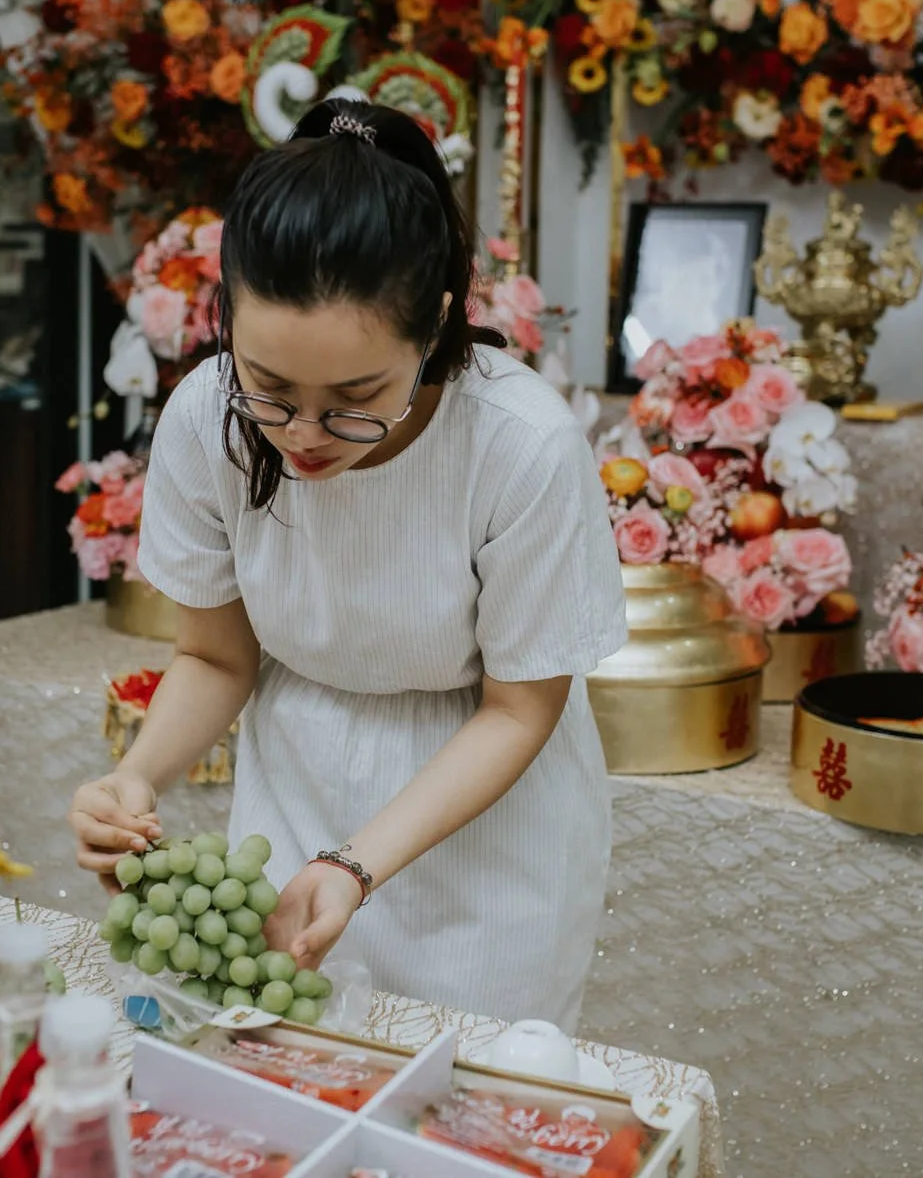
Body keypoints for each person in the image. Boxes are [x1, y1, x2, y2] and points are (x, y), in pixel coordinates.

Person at [67, 99, 626, 1030]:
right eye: (271, 391)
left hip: (487, 827)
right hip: (295, 787)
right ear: (226, 318)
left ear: (438, 322)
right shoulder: (207, 418)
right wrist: (141, 776)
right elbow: (216, 657)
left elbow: (521, 705)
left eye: (357, 397)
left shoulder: (520, 443)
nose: (306, 437)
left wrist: (356, 861)